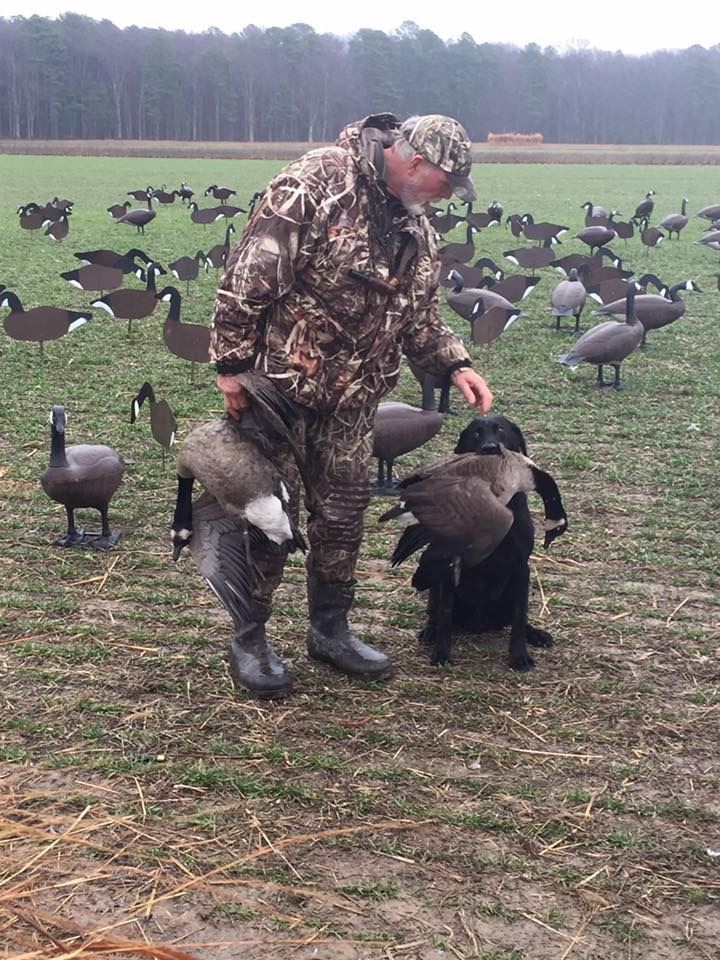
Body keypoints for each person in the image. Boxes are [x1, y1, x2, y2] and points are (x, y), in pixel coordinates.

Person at [210, 113, 493, 699]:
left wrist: (455, 362)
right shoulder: (317, 183)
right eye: (445, 183)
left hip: (353, 399)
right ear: (415, 163)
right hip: (279, 390)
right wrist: (232, 366)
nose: (447, 197)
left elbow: (419, 314)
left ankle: (330, 630)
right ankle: (251, 637)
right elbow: (247, 278)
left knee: (342, 515)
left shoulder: (415, 223)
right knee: (270, 516)